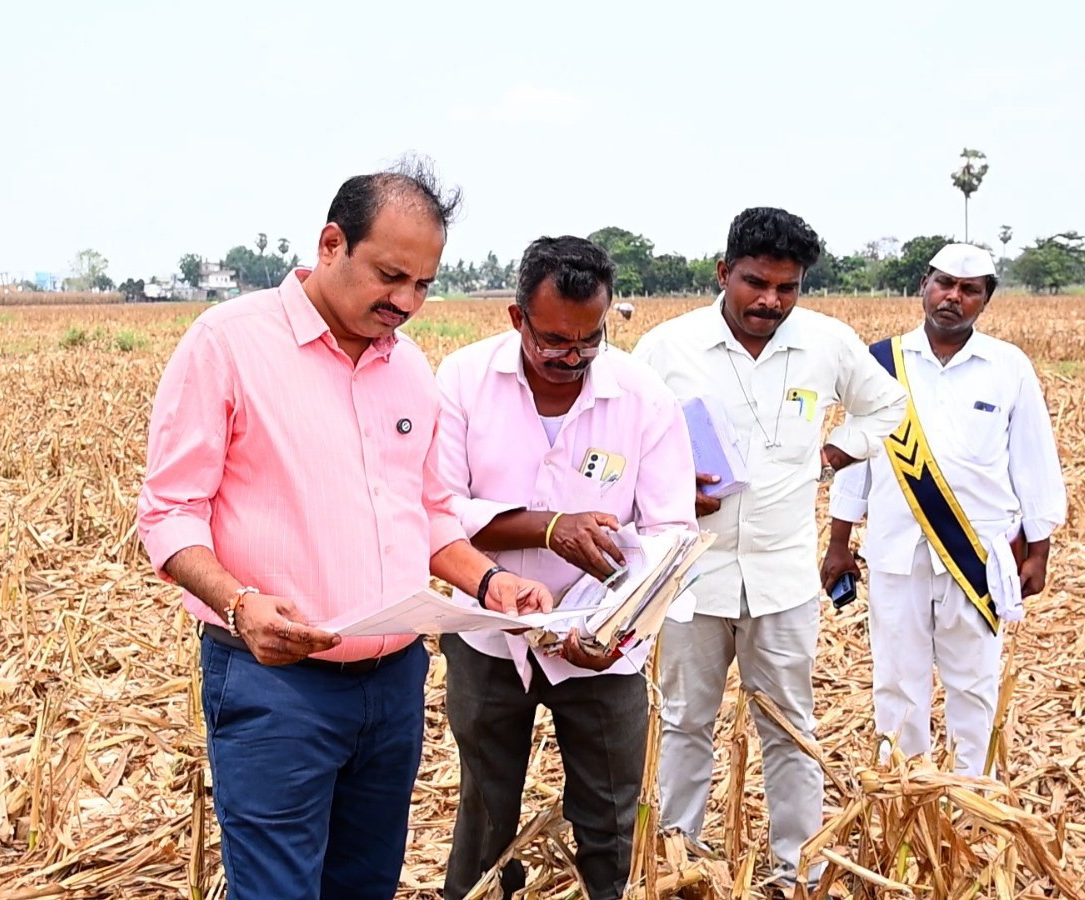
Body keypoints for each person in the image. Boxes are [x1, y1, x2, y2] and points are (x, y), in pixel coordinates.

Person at [136, 160, 551, 900]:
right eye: (390, 276)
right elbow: (168, 513)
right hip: (275, 685)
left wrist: (492, 581)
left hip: (393, 685)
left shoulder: (409, 368)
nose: (406, 302)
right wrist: (240, 604)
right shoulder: (227, 344)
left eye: (423, 284)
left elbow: (425, 510)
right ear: (332, 244)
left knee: (364, 886)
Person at [632, 207, 907, 890]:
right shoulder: (668, 348)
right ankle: (677, 863)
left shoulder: (827, 342)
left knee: (789, 728)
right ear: (723, 271)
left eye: (788, 288)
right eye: (756, 283)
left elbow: (889, 408)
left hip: (783, 576)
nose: (770, 301)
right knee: (684, 721)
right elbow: (621, 432)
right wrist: (663, 487)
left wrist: (835, 454)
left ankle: (798, 870)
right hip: (692, 573)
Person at [434, 236, 699, 900]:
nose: (571, 358)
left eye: (589, 340)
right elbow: (436, 509)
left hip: (604, 650)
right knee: (486, 814)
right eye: (552, 340)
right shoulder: (462, 381)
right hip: (489, 636)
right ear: (516, 317)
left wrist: (616, 632)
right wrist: (551, 530)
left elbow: (671, 533)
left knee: (611, 818)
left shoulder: (641, 395)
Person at [822, 243, 1067, 777]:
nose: (952, 297)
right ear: (923, 286)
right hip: (895, 551)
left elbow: (1034, 462)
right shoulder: (880, 362)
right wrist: (839, 543)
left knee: (973, 684)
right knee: (896, 681)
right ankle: (903, 795)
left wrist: (1039, 550)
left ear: (985, 299)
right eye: (943, 284)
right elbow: (857, 456)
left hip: (977, 554)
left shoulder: (1009, 367)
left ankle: (968, 798)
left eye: (969, 289)